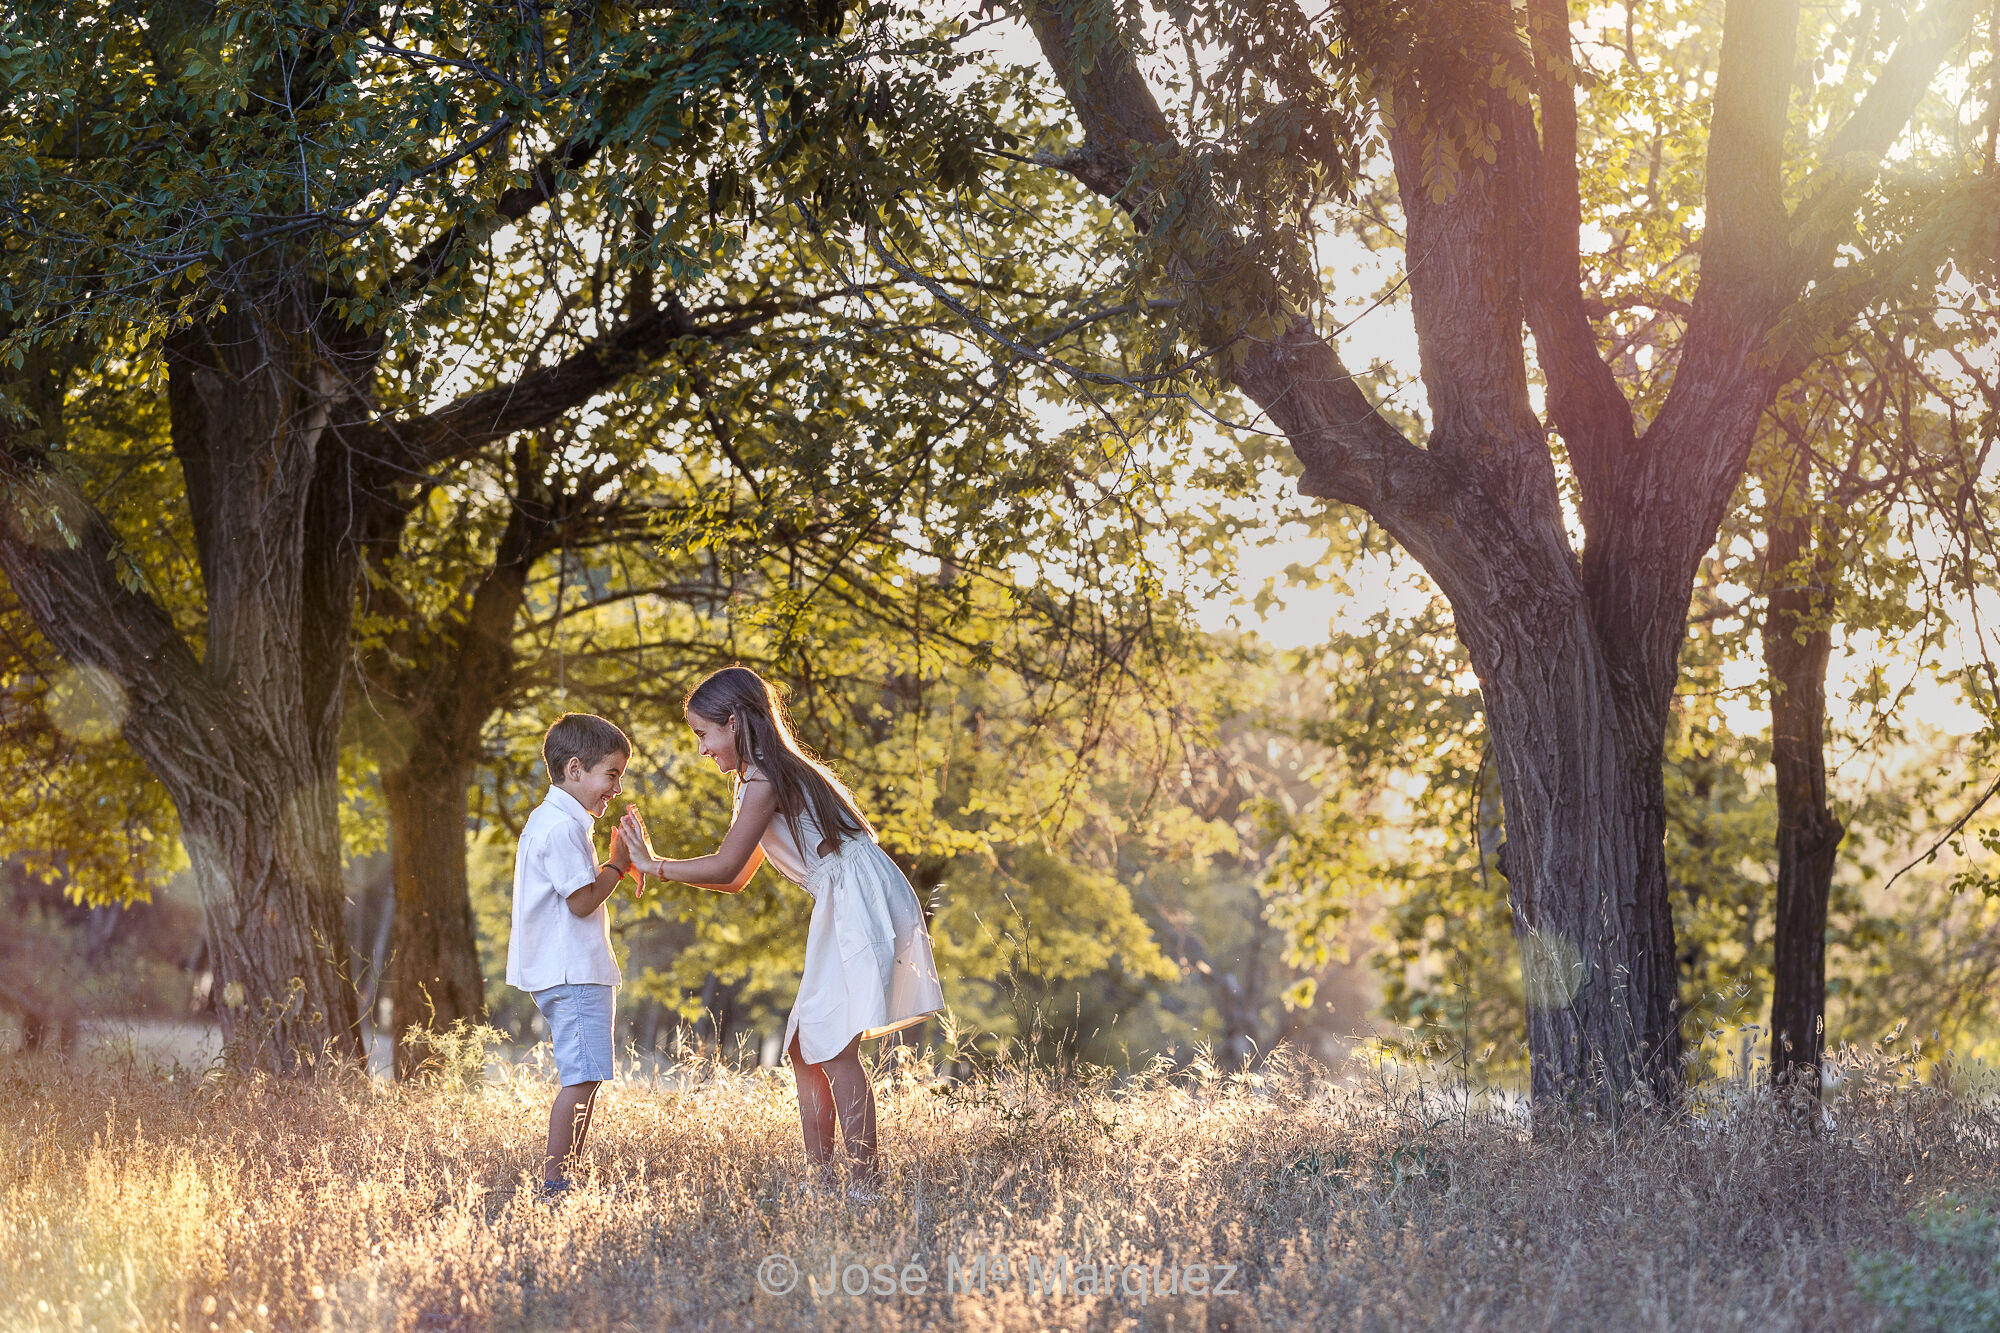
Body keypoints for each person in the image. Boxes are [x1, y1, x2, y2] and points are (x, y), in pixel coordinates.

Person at [619, 665, 945, 1194]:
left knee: (833, 1047)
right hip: (850, 896)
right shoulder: (764, 775)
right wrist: (657, 866)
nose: (702, 749)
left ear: (734, 722)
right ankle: (822, 1182)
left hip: (857, 900)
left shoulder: (767, 776)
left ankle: (863, 1185)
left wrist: (654, 864)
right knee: (803, 1044)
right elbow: (736, 879)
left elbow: (725, 867)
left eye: (704, 734)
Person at [505, 712, 640, 1201]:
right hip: (573, 971)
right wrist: (619, 864)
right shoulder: (561, 828)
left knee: (585, 1077)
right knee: (582, 1079)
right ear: (576, 769)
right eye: (612, 775)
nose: (616, 788)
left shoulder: (557, 821)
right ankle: (557, 1185)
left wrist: (615, 863)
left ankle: (568, 1176)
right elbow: (582, 901)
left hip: (568, 968)